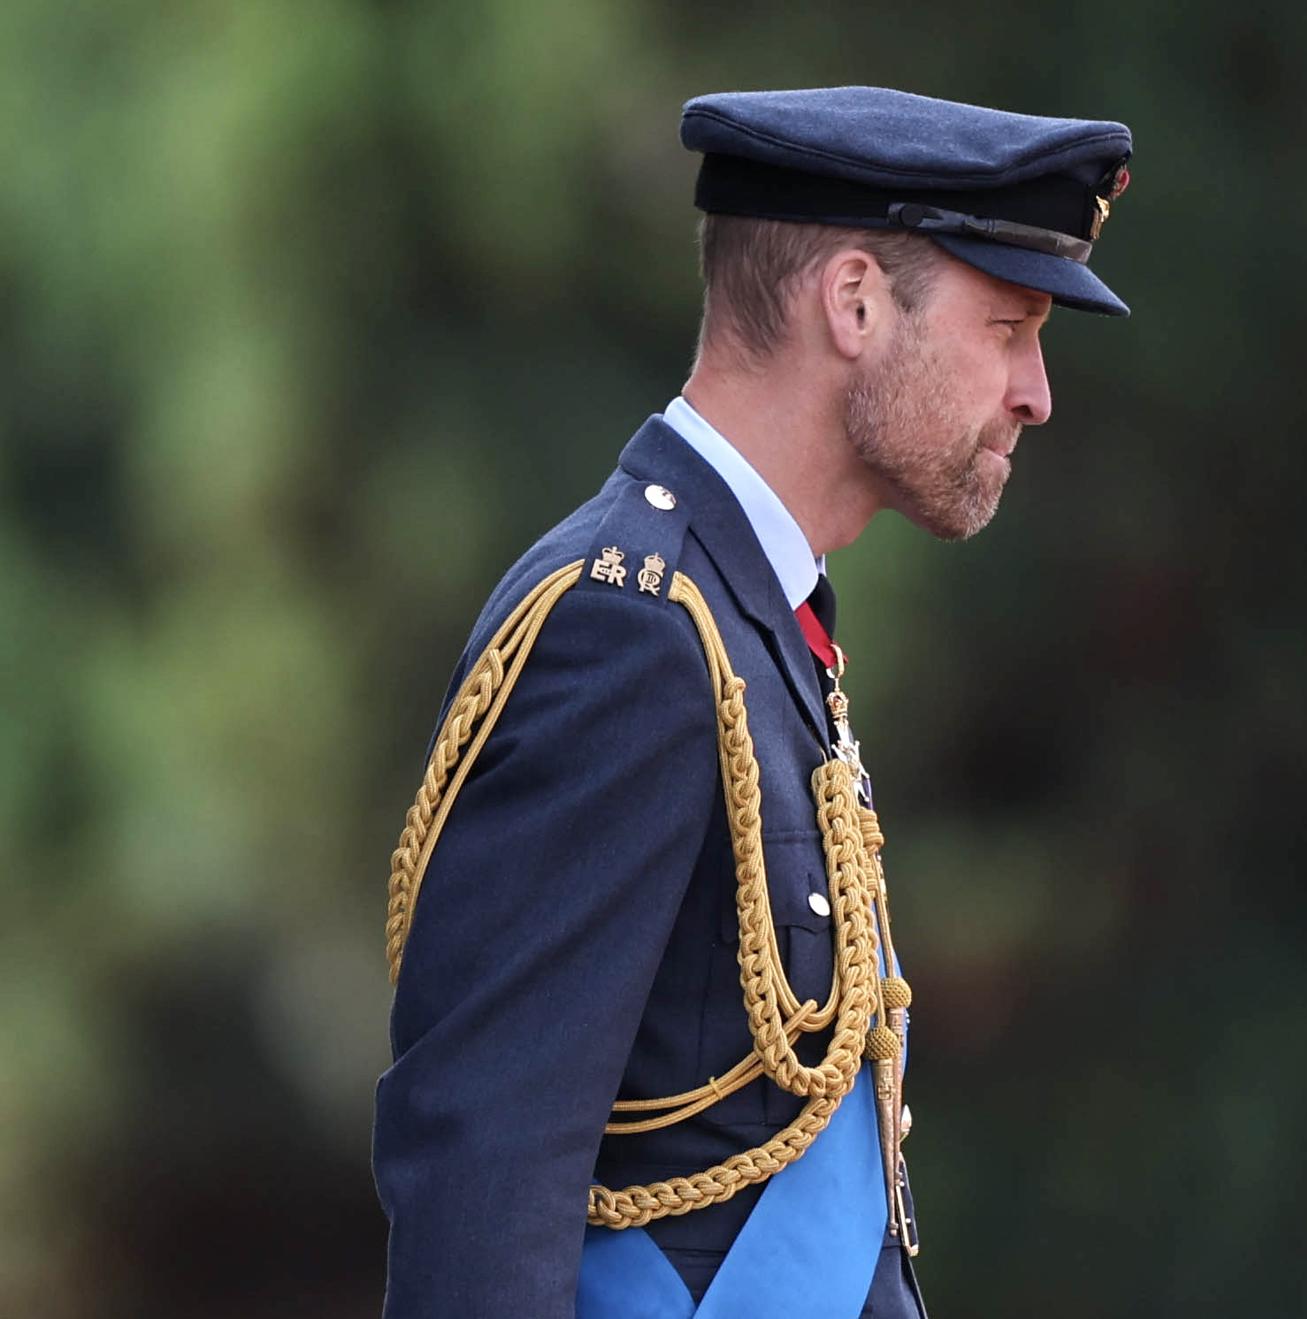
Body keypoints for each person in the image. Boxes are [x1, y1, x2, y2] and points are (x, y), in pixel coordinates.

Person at [373, 85, 1133, 1319]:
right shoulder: (627, 630)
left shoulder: (752, 619)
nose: (1036, 390)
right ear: (854, 304)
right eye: (1008, 326)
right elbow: (483, 1175)